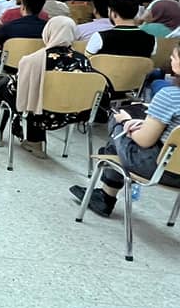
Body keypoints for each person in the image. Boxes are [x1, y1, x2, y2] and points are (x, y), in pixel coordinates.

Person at [71, 44, 180, 217]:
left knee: (118, 119)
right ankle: (106, 185)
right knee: (131, 125)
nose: (171, 59)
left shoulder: (170, 95)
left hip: (159, 169)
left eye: (174, 57)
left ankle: (106, 195)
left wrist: (127, 123)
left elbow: (144, 141)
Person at [0, 16, 101, 152]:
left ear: (48, 32)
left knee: (7, 87)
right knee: (45, 94)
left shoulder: (34, 60)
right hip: (70, 114)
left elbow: (19, 90)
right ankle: (35, 143)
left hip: (39, 113)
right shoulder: (84, 61)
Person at [85, 0, 155, 57]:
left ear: (113, 14)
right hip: (138, 72)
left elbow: (87, 58)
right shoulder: (152, 39)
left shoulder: (99, 37)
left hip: (105, 71)